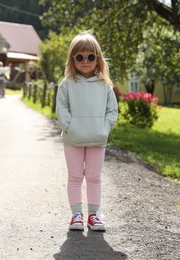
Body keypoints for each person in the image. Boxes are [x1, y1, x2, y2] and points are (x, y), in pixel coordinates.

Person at [56, 31, 118, 232]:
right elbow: (62, 108)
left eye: (90, 56)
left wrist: (104, 128)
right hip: (73, 138)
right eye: (79, 57)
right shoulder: (67, 85)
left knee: (94, 176)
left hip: (97, 139)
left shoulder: (105, 85)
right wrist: (70, 127)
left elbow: (112, 111)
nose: (85, 61)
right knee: (75, 176)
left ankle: (93, 215)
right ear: (72, 59)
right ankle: (76, 214)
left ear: (98, 59)